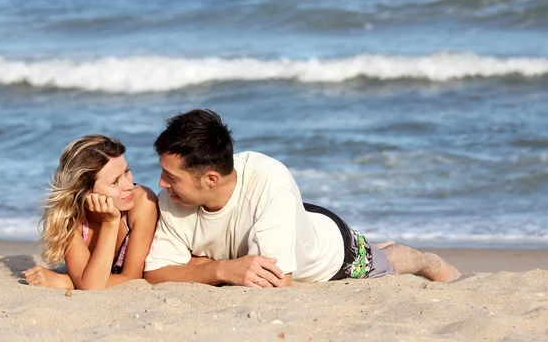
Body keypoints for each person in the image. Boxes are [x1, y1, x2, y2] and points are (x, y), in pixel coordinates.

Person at [144, 109, 461, 288]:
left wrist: (197, 266)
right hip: (283, 224)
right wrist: (221, 270)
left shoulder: (270, 181)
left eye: (171, 177)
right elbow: (156, 274)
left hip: (331, 253)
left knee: (386, 261)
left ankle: (426, 259)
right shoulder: (173, 198)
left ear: (210, 179)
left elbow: (277, 285)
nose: (161, 184)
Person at [23, 135, 158, 290]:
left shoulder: (142, 202)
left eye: (127, 171)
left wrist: (66, 282)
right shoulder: (70, 217)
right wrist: (110, 223)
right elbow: (90, 284)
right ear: (85, 191)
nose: (128, 185)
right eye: (115, 182)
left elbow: (132, 277)